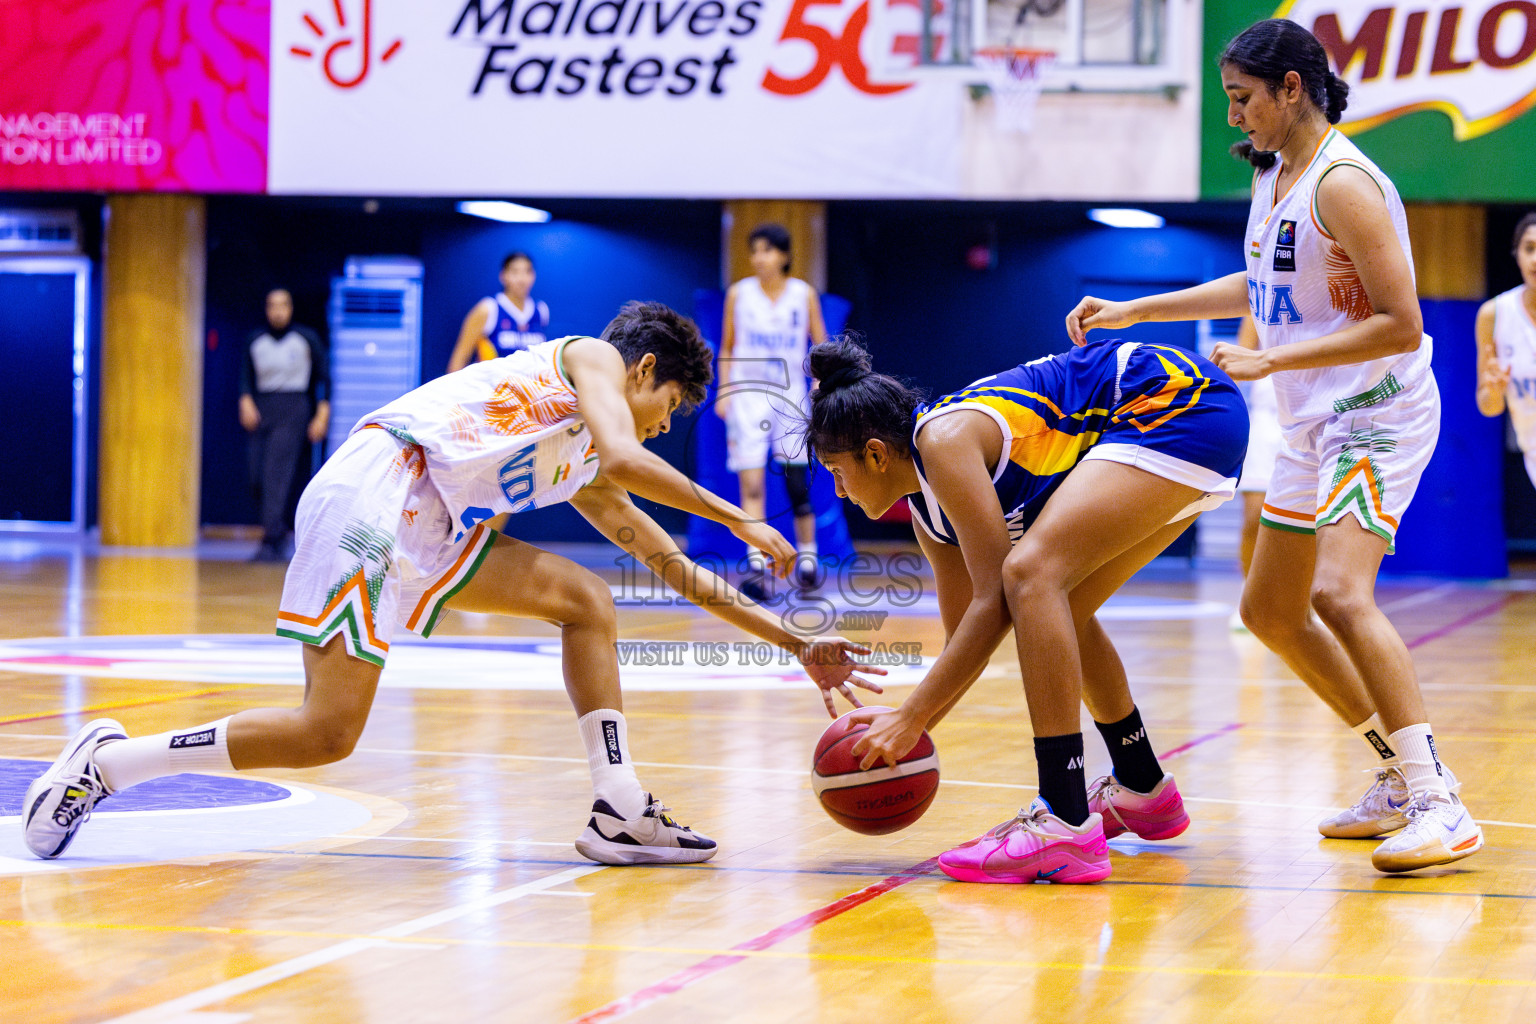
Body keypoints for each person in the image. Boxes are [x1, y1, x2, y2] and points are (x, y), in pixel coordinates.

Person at [24, 303, 883, 866]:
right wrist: (739, 516)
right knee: (328, 733)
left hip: (433, 521)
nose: (665, 425)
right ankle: (107, 766)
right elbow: (630, 453)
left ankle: (618, 806)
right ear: (646, 367)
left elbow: (671, 567)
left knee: (586, 599)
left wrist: (800, 646)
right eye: (670, 408)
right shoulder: (589, 358)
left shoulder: (583, 453)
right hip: (380, 491)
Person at [1064, 18, 1482, 873]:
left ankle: (1441, 801)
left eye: (1243, 99)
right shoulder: (1278, 174)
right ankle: (1398, 779)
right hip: (1308, 420)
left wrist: (1272, 356)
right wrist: (1133, 310)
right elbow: (1256, 285)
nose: (1234, 118)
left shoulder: (1346, 183)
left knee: (1339, 592)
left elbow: (1401, 324)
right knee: (1269, 612)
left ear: (1292, 89)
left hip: (1376, 409)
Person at [810, 336, 1249, 884]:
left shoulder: (942, 441)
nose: (839, 490)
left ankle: (1064, 819)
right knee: (1058, 607)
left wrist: (913, 716)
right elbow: (972, 633)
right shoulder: (930, 519)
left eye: (837, 470)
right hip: (1187, 426)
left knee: (1032, 576)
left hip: (1177, 403)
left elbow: (996, 598)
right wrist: (909, 727)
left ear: (875, 453)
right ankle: (1142, 785)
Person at [715, 224, 828, 596]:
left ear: (783, 255)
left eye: (766, 250)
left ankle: (808, 562)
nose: (759, 257)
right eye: (754, 250)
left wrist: (818, 385)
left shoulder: (802, 294)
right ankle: (756, 566)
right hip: (748, 397)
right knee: (751, 484)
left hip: (791, 396)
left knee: (798, 484)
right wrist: (724, 391)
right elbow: (728, 346)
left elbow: (820, 345)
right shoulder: (739, 294)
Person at [239, 289, 331, 562]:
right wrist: (245, 401)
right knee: (256, 476)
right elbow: (245, 376)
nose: (278, 311)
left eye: (283, 305)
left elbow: (323, 378)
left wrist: (322, 414)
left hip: (294, 407)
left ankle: (273, 540)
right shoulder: (254, 340)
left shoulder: (306, 338)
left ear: (291, 308)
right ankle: (274, 532)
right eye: (272, 305)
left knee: (275, 474)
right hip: (263, 406)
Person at [1475, 212, 1536, 487]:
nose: (1535, 258)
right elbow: (1488, 405)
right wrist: (1495, 390)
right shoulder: (1494, 315)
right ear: (1517, 254)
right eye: (1529, 248)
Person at [1232, 315, 1283, 630]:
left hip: (1317, 413)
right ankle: (1248, 595)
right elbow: (1241, 356)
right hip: (1267, 416)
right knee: (1254, 517)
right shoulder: (1265, 296)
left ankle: (1304, 600)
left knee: (1317, 521)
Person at [447, 251, 551, 373]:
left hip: (529, 389)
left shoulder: (541, 310)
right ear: (503, 276)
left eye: (527, 272)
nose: (522, 279)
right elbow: (460, 358)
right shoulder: (488, 309)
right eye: (515, 272)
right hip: (493, 389)